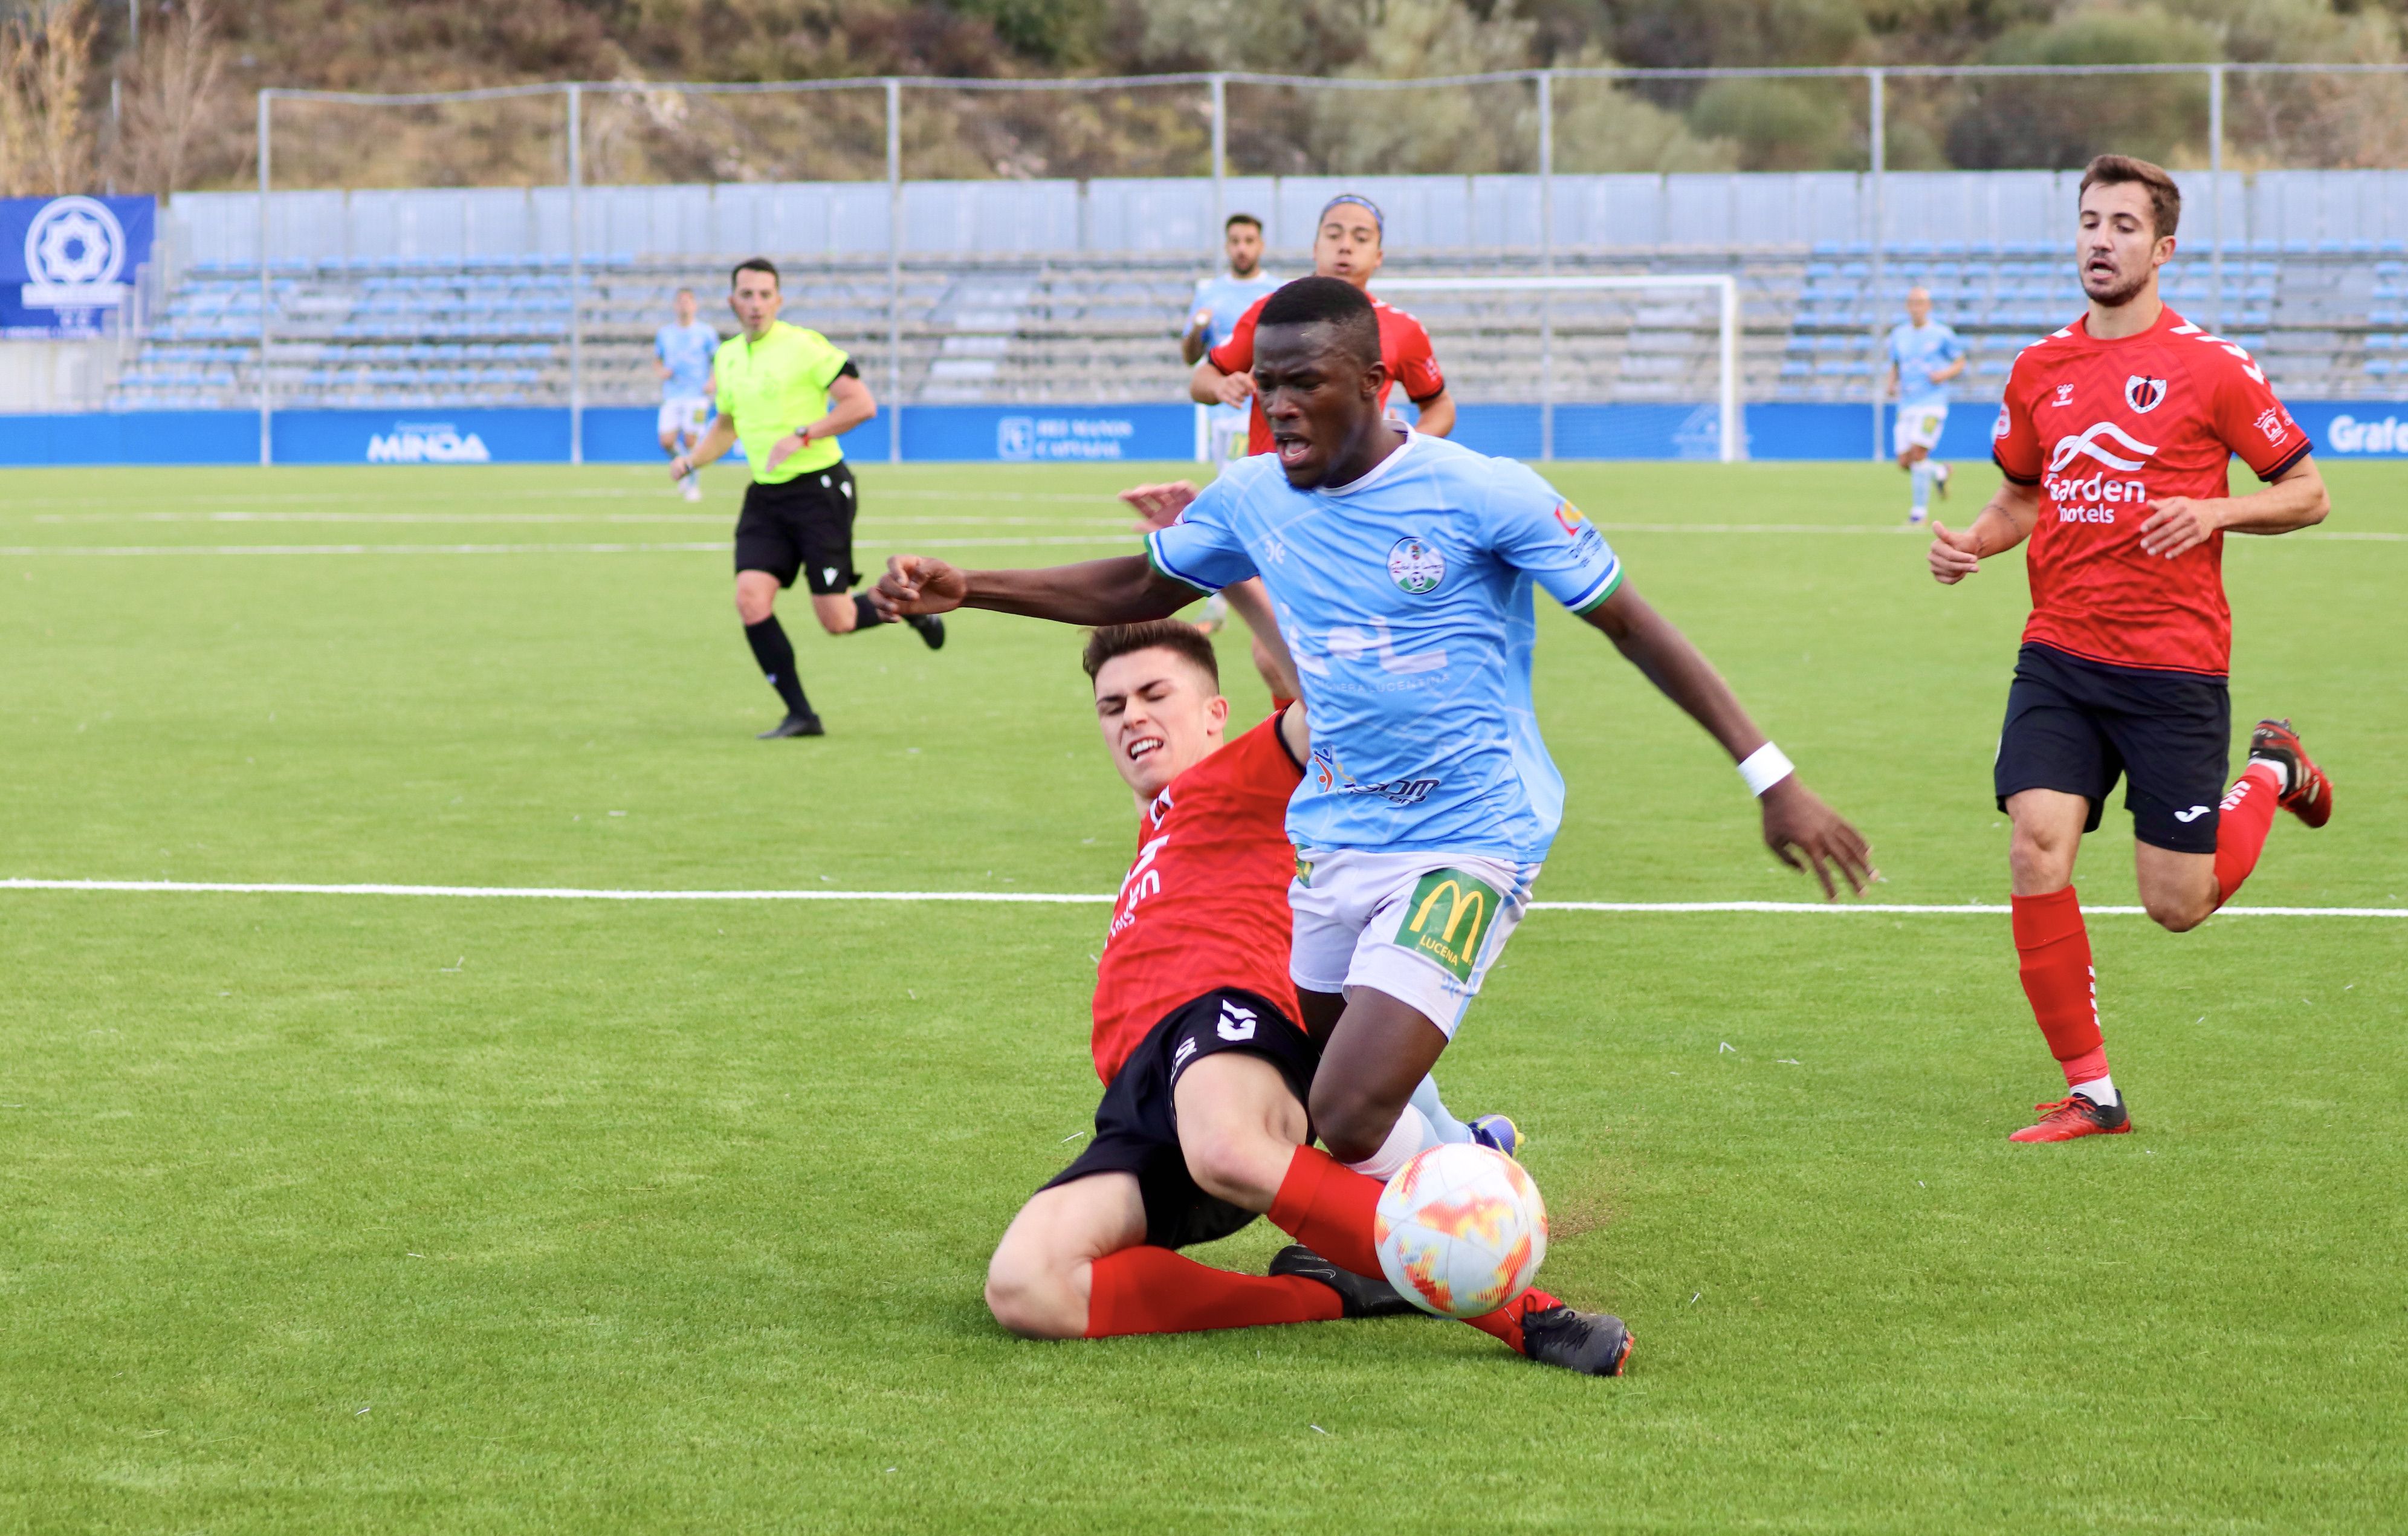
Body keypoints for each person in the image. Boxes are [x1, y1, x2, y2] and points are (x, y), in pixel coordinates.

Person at [881, 276, 1869, 1342]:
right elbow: (1140, 591)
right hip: (1335, 848)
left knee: (1346, 1110)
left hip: (1467, 842)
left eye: (1304, 383)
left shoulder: (1481, 494)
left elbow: (1631, 625)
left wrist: (1770, 777)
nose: (1280, 406)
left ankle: (1494, 1279)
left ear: (1374, 381)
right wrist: (969, 586)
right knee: (1329, 1117)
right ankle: (1451, 1176)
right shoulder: (1252, 495)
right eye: (1266, 387)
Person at [982, 618, 1629, 1374]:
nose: (1132, 716)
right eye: (1112, 704)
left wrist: (1241, 573)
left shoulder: (1248, 778)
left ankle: (1529, 1315)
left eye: (1155, 694)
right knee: (1026, 1286)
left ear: (1215, 715)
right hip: (1142, 1101)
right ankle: (1330, 1290)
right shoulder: (1156, 833)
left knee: (1229, 1141)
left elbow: (1329, 702)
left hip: (1228, 1027)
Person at [1927, 154, 2332, 1143]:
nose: (2098, 240)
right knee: (2034, 843)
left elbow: (2305, 492)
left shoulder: (2212, 368)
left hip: (2171, 670)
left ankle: (2270, 773)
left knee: (2176, 903)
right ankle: (2090, 1091)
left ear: (2160, 249)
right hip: (2059, 658)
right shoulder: (2038, 370)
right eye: (2086, 222)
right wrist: (1972, 542)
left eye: (2119, 226)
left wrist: (2212, 509)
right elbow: (2019, 494)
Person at [672, 257, 942, 741]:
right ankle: (802, 715)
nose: (755, 304)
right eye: (746, 295)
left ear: (779, 300)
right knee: (750, 599)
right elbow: (725, 426)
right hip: (766, 498)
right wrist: (693, 461)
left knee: (835, 620)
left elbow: (862, 403)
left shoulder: (804, 347)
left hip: (819, 491)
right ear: (733, 301)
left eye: (764, 295)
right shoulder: (728, 357)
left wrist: (804, 434)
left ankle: (908, 607)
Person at [1189, 195, 1454, 455]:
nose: (1346, 246)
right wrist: (1220, 387)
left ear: (1378, 256)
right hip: (1272, 489)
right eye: (1334, 235)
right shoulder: (1271, 309)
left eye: (1361, 238)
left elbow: (1440, 406)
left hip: (1355, 492)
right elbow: (1202, 380)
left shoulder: (1402, 328)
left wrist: (1407, 443)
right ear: (1315, 248)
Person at [1182, 213, 1281, 466]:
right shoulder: (1209, 293)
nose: (1242, 248)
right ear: (1227, 246)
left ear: (1261, 245)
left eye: (1249, 241)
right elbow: (1190, 358)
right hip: (1224, 410)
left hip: (1266, 411)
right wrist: (1196, 329)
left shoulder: (1278, 291)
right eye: (1235, 241)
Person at [1886, 287, 1967, 526]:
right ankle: (1939, 472)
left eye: (1921, 303)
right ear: (1907, 306)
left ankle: (1918, 514)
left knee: (1918, 454)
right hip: (1907, 403)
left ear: (1929, 306)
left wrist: (1944, 374)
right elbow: (1896, 364)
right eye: (1912, 303)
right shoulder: (1899, 334)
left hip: (1932, 404)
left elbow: (1960, 361)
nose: (1916, 307)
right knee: (1904, 461)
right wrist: (1891, 384)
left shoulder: (1942, 334)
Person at [655, 288, 719, 502]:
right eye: (680, 302)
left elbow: (716, 361)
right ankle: (684, 466)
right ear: (675, 306)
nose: (684, 306)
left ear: (695, 306)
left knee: (692, 440)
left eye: (688, 302)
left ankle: (693, 484)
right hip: (672, 395)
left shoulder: (706, 333)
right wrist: (661, 371)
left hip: (697, 396)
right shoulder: (665, 334)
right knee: (666, 441)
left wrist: (713, 381)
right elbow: (658, 360)